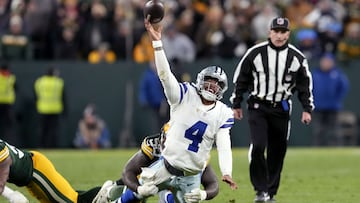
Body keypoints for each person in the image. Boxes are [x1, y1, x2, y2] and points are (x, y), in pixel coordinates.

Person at [132, 16, 238, 203]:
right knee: (134, 195)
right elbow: (165, 76)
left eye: (217, 84)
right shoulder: (185, 94)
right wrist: (157, 44)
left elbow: (224, 145)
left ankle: (166, 197)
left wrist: (227, 171)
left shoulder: (223, 112)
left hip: (192, 175)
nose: (212, 87)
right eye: (209, 81)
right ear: (200, 80)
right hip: (166, 165)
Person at [230, 17, 314, 202]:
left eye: (283, 32)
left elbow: (304, 85)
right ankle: (260, 190)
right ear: (269, 32)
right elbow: (241, 79)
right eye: (276, 31)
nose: (279, 35)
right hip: (258, 105)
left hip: (282, 108)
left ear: (288, 34)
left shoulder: (297, 57)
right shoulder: (255, 53)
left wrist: (307, 109)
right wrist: (236, 103)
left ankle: (271, 192)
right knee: (259, 146)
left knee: (278, 150)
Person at [93, 123, 220, 203]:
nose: (167, 143)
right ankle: (110, 192)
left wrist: (203, 194)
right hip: (147, 177)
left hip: (175, 180)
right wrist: (139, 189)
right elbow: (128, 171)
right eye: (166, 138)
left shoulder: (195, 154)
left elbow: (212, 183)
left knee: (181, 197)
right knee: (134, 196)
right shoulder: (152, 146)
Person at [0, 139, 102, 202]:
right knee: (73, 198)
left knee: (71, 201)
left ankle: (110, 192)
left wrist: (10, 194)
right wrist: (11, 195)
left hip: (35, 169)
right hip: (28, 178)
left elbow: (5, 162)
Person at [311, 53, 349, 146]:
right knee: (318, 130)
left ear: (333, 63)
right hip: (318, 107)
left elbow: (344, 87)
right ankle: (317, 148)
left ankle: (337, 148)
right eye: (324, 62)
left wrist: (336, 99)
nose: (326, 64)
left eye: (328, 62)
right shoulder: (315, 74)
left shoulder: (337, 74)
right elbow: (308, 88)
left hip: (333, 107)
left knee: (335, 130)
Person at [34, 67, 67, 148]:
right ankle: (52, 146)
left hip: (42, 108)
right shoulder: (58, 82)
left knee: (42, 129)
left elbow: (35, 96)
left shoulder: (39, 82)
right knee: (53, 130)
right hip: (55, 109)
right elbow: (63, 96)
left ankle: (41, 146)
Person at [138, 61, 169, 133]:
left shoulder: (163, 74)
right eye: (153, 63)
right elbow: (143, 89)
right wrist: (143, 101)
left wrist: (165, 101)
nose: (155, 65)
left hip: (165, 103)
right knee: (157, 123)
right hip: (154, 105)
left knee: (166, 123)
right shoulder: (147, 76)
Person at [0, 61, 17, 143]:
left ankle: (8, 142)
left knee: (8, 125)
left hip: (8, 105)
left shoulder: (11, 78)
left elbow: (16, 88)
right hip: (2, 104)